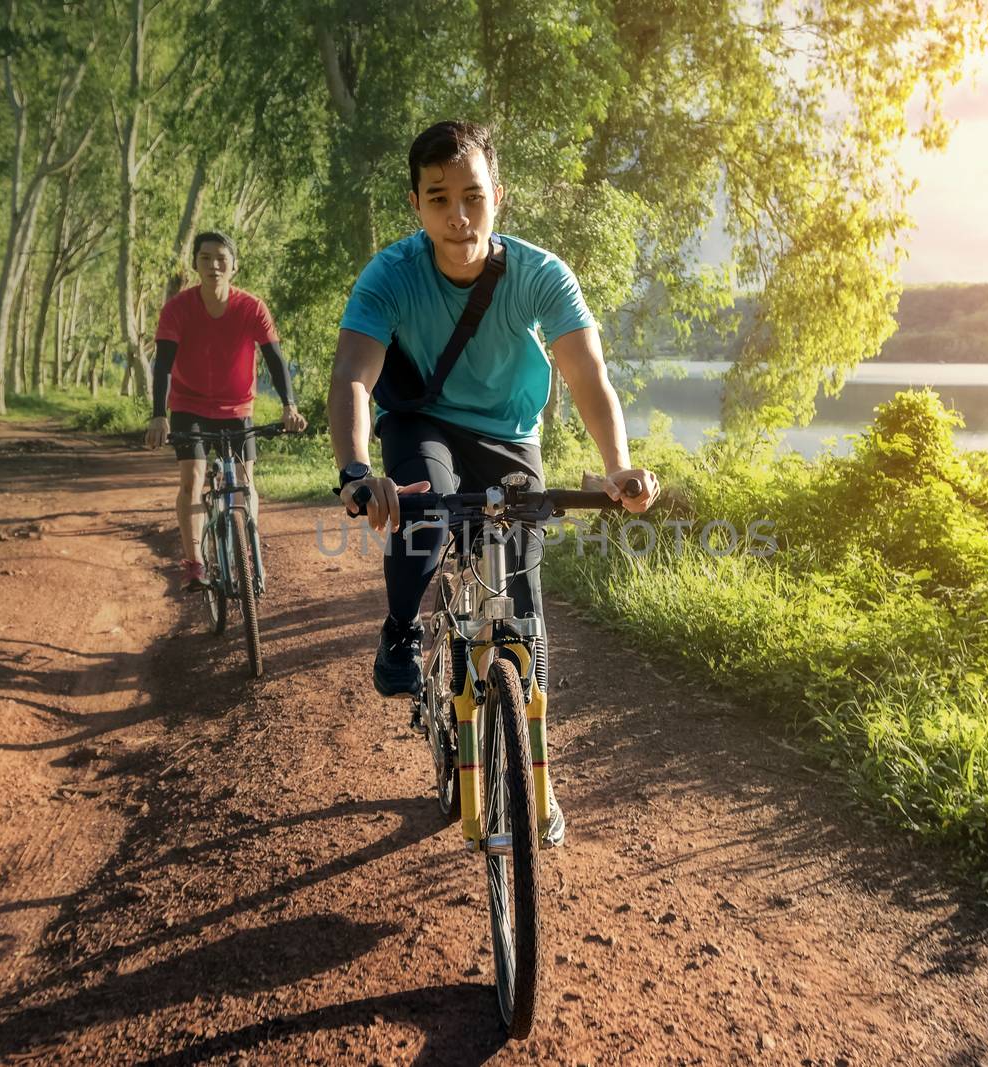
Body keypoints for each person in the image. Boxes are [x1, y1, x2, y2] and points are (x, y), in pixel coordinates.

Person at [328, 120, 659, 847]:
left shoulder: (541, 273)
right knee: (427, 518)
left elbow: (588, 376)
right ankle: (401, 633)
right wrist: (358, 471)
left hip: (510, 434)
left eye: (473, 196)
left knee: (528, 605)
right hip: (421, 424)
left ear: (497, 197)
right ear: (415, 203)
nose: (459, 215)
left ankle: (537, 774)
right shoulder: (390, 275)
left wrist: (616, 466)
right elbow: (354, 376)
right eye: (439, 198)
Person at [145, 231, 306, 591]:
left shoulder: (251, 307)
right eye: (205, 258)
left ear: (234, 265)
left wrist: (289, 406)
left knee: (245, 482)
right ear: (195, 264)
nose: (214, 265)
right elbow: (163, 366)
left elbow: (275, 360)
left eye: (221, 258)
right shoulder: (177, 309)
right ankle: (194, 563)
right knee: (193, 477)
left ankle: (246, 555)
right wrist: (159, 414)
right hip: (189, 406)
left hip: (237, 408)